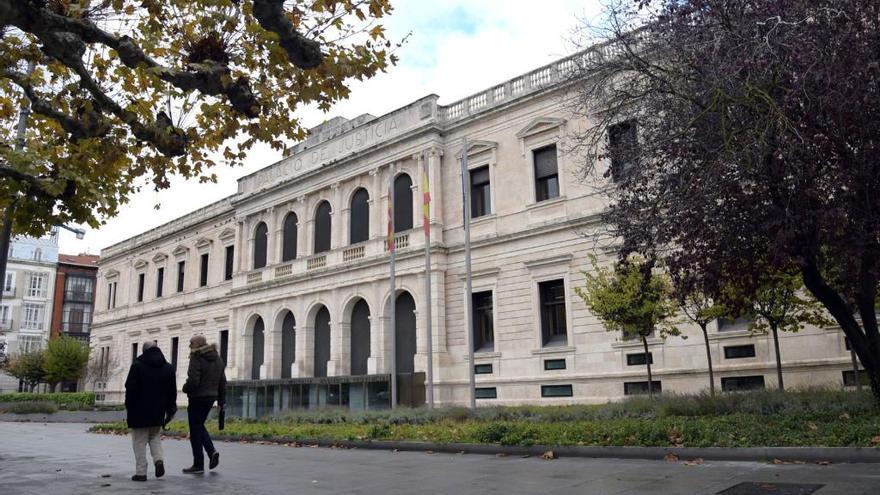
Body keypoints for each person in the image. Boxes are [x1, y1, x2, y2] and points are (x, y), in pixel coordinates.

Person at [124, 340, 177, 482]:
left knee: (139, 442)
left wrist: (129, 407)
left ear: (144, 351)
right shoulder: (169, 368)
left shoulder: (137, 366)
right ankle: (158, 460)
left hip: (139, 412)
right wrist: (171, 410)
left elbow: (130, 390)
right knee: (155, 438)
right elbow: (172, 392)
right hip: (158, 412)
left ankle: (141, 472)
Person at [181, 334, 226, 474]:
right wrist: (221, 401)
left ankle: (199, 464)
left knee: (195, 430)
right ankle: (211, 453)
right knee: (198, 425)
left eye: (191, 343)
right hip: (211, 397)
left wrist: (185, 388)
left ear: (198, 345)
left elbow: (193, 381)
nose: (189, 346)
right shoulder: (217, 359)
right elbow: (222, 382)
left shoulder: (196, 357)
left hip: (197, 398)